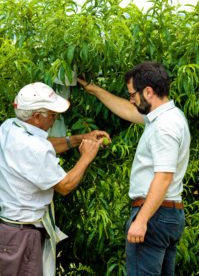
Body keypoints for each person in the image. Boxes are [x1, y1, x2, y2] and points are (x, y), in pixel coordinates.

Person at [78, 61, 190, 276]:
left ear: (148, 92)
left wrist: (141, 220)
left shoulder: (164, 127)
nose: (131, 99)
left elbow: (163, 177)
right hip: (167, 214)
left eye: (132, 94)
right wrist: (92, 88)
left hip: (154, 214)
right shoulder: (168, 117)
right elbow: (130, 112)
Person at [0, 82, 110, 276]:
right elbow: (65, 185)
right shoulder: (33, 148)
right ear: (35, 117)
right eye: (52, 114)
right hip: (23, 236)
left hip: (9, 230)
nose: (54, 119)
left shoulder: (10, 127)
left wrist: (80, 138)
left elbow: (44, 144)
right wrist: (86, 156)